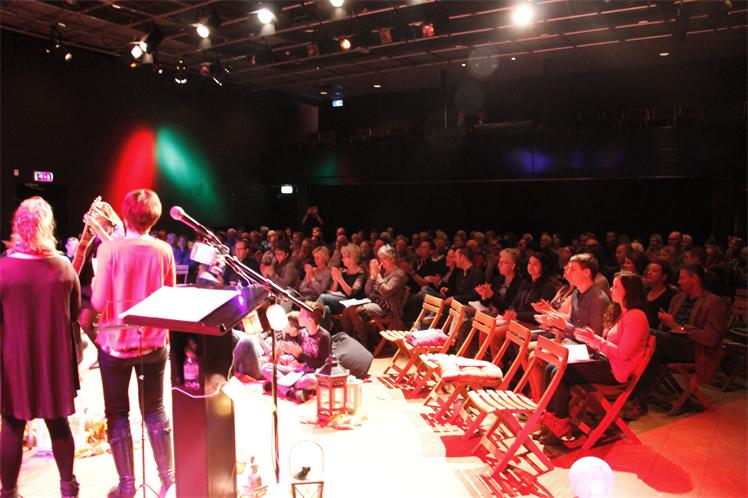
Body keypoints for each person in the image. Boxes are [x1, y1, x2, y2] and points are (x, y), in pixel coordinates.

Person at [91, 189, 176, 498]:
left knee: (117, 414)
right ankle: (168, 481)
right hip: (153, 343)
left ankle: (127, 486)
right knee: (155, 410)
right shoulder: (164, 250)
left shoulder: (109, 250)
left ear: (124, 216)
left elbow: (98, 302)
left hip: (116, 344)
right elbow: (169, 298)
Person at [0, 197, 82, 498]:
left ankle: (8, 492)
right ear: (48, 226)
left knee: (11, 425)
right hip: (53, 360)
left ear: (17, 226)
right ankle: (68, 488)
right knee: (58, 424)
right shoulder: (63, 267)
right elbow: (74, 314)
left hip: (13, 360)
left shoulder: (3, 269)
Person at [539, 272, 650, 446]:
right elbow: (606, 344)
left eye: (616, 287)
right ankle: (551, 421)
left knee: (561, 371)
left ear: (629, 291)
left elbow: (623, 353)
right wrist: (590, 339)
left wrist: (595, 340)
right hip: (603, 362)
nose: (611, 289)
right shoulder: (619, 312)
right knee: (551, 366)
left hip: (614, 370)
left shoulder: (636, 316)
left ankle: (559, 425)